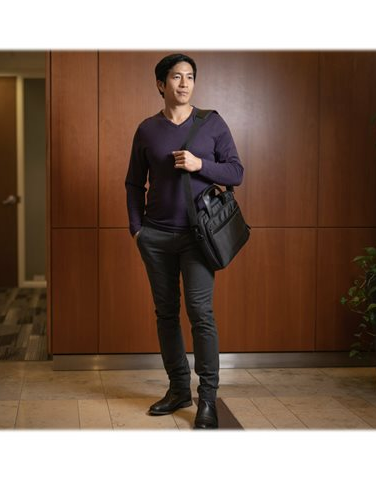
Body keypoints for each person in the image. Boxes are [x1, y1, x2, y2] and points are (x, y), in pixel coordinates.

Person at [125, 53, 244, 429]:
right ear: (161, 85)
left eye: (189, 77)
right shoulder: (147, 129)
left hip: (198, 237)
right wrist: (137, 229)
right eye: (176, 77)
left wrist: (200, 164)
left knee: (200, 313)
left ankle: (207, 398)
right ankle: (178, 389)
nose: (184, 83)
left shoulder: (211, 123)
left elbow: (236, 172)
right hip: (156, 236)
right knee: (166, 313)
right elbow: (133, 182)